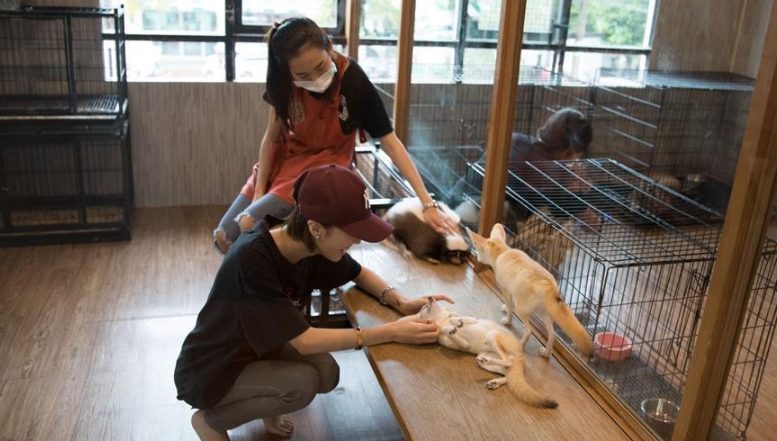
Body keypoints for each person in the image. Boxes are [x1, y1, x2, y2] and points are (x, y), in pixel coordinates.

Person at [175, 164, 452, 441]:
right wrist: (391, 331)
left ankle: (266, 408)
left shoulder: (308, 244)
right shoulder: (253, 259)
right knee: (302, 383)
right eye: (353, 231)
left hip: (260, 348)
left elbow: (358, 273)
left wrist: (399, 301)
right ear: (316, 228)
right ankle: (210, 421)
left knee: (326, 372)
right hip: (215, 369)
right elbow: (304, 342)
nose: (357, 240)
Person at [213, 17, 457, 254]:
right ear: (287, 71)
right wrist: (258, 192)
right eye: (303, 76)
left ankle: (274, 276)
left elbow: (390, 141)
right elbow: (271, 139)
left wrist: (427, 203)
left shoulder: (353, 80)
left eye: (320, 67)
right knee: (223, 238)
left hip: (322, 168)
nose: (315, 79)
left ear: (329, 46)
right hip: (284, 163)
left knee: (249, 225)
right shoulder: (281, 80)